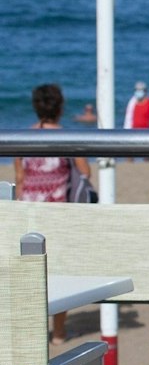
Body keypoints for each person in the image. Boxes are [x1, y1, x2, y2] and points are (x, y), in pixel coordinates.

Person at [13, 85, 91, 343]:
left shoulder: (22, 137)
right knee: (59, 270)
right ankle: (58, 333)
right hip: (58, 211)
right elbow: (85, 171)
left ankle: (32, 330)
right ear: (60, 107)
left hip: (29, 211)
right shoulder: (67, 136)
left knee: (30, 272)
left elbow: (20, 179)